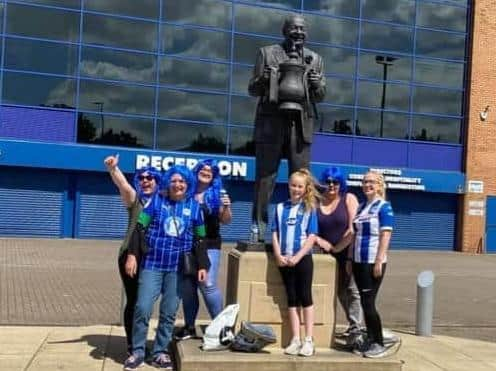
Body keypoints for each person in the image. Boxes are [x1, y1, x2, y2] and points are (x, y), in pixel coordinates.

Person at [124, 165, 209, 371]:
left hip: (177, 268)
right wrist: (132, 255)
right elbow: (139, 228)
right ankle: (137, 350)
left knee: (169, 312)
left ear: (187, 185)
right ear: (168, 182)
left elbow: (200, 238)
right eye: (174, 181)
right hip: (152, 264)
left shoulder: (196, 208)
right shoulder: (156, 202)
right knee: (143, 307)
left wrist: (203, 265)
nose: (178, 185)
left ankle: (160, 352)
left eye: (182, 182)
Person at [248, 14, 326, 240]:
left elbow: (321, 95)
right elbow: (252, 89)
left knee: (302, 179)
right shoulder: (267, 53)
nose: (299, 33)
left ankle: (302, 227)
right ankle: (258, 227)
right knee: (266, 177)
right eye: (294, 28)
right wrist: (263, 80)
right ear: (285, 31)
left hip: (300, 124)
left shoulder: (315, 59)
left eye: (302, 29)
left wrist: (316, 85)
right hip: (271, 121)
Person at [104, 154, 161, 356]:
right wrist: (113, 169)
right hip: (129, 256)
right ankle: (133, 345)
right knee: (135, 300)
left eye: (150, 178)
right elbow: (124, 186)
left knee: (146, 303)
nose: (145, 181)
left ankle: (141, 341)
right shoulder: (136, 201)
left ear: (157, 181)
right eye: (142, 178)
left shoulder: (164, 204)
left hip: (153, 260)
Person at [176, 159, 232, 340]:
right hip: (186, 244)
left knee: (207, 284)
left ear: (214, 175)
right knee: (187, 287)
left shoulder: (217, 194)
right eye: (203, 169)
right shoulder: (186, 192)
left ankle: (223, 328)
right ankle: (189, 327)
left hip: (210, 244)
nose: (206, 172)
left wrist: (227, 206)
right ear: (197, 171)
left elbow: (226, 221)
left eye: (210, 170)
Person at [271, 168, 319, 357]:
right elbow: (274, 232)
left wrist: (298, 256)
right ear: (288, 186)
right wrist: (278, 255)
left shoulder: (309, 208)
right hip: (284, 260)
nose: (296, 189)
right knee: (291, 299)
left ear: (305, 188)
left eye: (300, 186)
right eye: (293, 185)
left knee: (305, 298)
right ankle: (295, 339)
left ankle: (309, 340)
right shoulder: (280, 207)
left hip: (302, 259)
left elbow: (312, 236)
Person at [347, 171, 394, 358]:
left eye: (372, 182)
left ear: (380, 185)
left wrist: (378, 261)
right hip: (358, 261)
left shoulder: (384, 207)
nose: (368, 185)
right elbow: (354, 235)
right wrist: (350, 259)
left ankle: (379, 343)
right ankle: (371, 338)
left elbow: (386, 235)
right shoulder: (360, 207)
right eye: (365, 181)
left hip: (372, 261)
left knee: (368, 303)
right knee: (364, 302)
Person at [314, 167, 363, 343]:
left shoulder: (349, 199)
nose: (332, 185)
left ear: (340, 183)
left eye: (335, 181)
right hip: (324, 256)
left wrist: (337, 248)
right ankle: (323, 328)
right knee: (335, 292)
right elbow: (309, 229)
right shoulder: (316, 202)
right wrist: (320, 241)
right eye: (328, 181)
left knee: (351, 291)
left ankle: (356, 330)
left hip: (348, 252)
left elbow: (353, 229)